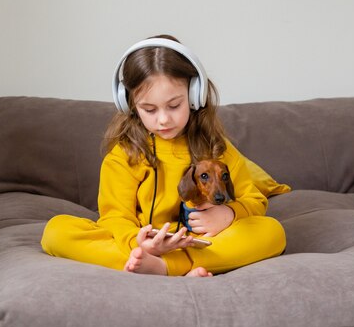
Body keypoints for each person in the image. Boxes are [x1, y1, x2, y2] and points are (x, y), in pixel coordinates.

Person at [41, 34, 285, 277]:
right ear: (130, 105)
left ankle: (166, 266)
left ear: (194, 95)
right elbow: (115, 216)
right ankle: (162, 263)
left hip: (205, 241)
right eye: (149, 109)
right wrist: (138, 244)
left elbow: (254, 200)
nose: (163, 119)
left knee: (272, 232)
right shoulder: (124, 154)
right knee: (56, 231)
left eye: (174, 105)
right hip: (143, 242)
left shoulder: (217, 148)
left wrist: (229, 214)